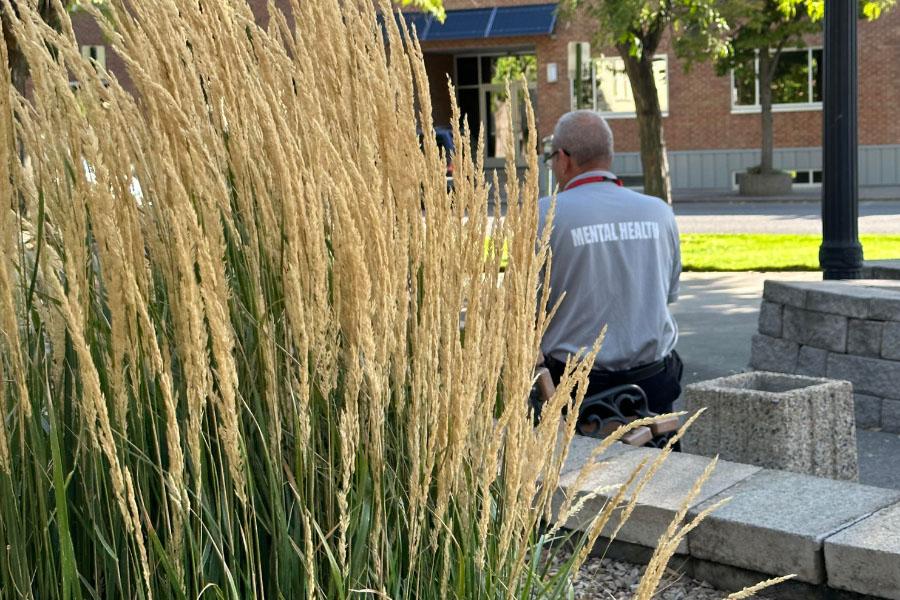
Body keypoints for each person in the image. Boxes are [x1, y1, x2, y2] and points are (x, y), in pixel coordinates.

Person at [537, 110, 683, 417]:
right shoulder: (659, 212)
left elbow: (526, 308)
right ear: (610, 156)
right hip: (653, 387)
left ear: (563, 158)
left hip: (578, 394)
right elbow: (668, 296)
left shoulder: (545, 216)